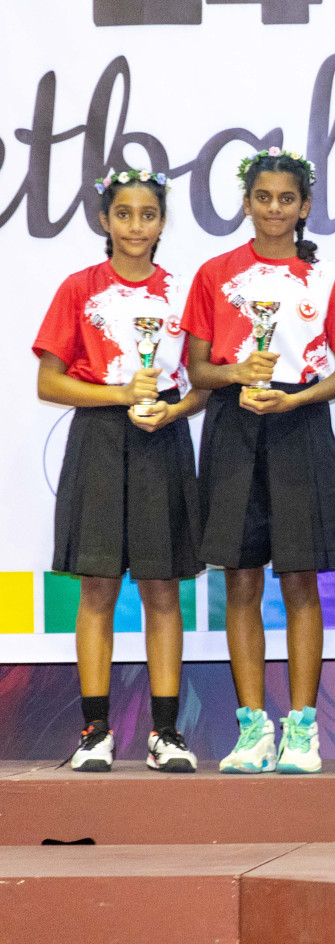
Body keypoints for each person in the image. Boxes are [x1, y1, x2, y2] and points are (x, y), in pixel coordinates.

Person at [183, 148, 335, 774]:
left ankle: (302, 729)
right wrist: (236, 373)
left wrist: (297, 398)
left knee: (301, 579)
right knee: (240, 579)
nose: (276, 209)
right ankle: (253, 727)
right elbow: (198, 369)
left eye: (288, 199)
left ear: (304, 207)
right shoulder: (215, 274)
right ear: (247, 203)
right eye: (264, 198)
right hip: (233, 426)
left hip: (302, 425)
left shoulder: (327, 278)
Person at [35, 169, 206, 773]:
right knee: (98, 589)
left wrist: (174, 409)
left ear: (163, 221)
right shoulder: (79, 289)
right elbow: (48, 381)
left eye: (149, 214)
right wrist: (116, 394)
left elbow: (203, 382)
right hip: (101, 444)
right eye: (125, 214)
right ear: (105, 221)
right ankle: (94, 731)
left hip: (164, 441)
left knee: (162, 588)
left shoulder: (185, 294)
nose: (137, 225)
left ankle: (165, 734)